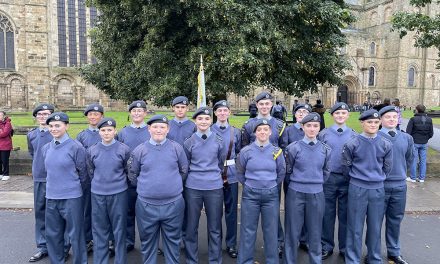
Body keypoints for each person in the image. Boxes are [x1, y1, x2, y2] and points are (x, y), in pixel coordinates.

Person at [128, 115, 188, 264]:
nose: (158, 130)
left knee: (173, 243)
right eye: (155, 127)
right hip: (146, 206)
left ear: (168, 129)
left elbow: (183, 170)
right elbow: (133, 174)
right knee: (147, 243)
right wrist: (149, 187)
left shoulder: (176, 148)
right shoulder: (140, 150)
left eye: (162, 127)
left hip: (173, 204)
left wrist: (170, 185)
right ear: (149, 129)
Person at [343, 109, 393, 264]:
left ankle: (374, 258)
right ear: (362, 123)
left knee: (375, 226)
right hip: (357, 188)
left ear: (380, 123)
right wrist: (359, 179)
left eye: (376, 122)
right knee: (355, 226)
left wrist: (376, 179)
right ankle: (352, 259)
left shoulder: (386, 144)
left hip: (377, 189)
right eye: (369, 122)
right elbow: (346, 167)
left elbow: (387, 167)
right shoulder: (353, 143)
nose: (373, 125)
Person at [241, 91, 287, 256]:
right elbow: (243, 149)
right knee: (250, 222)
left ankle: (278, 243)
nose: (265, 106)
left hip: (273, 174)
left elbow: (284, 148)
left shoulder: (280, 125)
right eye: (262, 104)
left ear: (271, 105)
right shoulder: (248, 124)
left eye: (268, 104)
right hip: (253, 175)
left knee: (272, 214)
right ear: (257, 105)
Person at [284, 112, 331, 264]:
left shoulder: (325, 149)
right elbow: (288, 169)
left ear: (319, 128)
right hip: (296, 193)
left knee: (315, 232)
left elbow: (326, 171)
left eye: (315, 126)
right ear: (303, 127)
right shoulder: (293, 148)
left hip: (316, 193)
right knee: (292, 231)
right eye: (308, 125)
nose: (312, 129)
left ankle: (315, 261)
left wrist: (315, 183)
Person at [42, 112, 88, 264]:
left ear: (66, 126)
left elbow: (83, 173)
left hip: (71, 197)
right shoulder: (46, 148)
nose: (54, 129)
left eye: (57, 125)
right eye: (51, 126)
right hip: (51, 197)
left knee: (76, 234)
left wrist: (73, 188)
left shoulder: (76, 147)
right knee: (53, 234)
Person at [183, 107, 225, 263]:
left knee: (214, 227)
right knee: (191, 226)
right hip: (193, 187)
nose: (203, 122)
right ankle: (191, 260)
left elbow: (221, 163)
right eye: (200, 119)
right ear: (195, 121)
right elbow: (185, 164)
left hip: (214, 187)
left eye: (207, 119)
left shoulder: (219, 141)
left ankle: (215, 260)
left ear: (211, 121)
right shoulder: (189, 142)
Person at [87, 117, 130, 264]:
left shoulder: (123, 149)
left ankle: (120, 260)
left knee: (119, 229)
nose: (106, 133)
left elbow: (127, 169)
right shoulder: (92, 150)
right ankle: (101, 260)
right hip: (98, 194)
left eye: (109, 130)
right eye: (103, 130)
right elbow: (91, 171)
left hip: (118, 193)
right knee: (99, 230)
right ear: (99, 132)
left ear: (115, 131)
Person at [319, 103, 357, 260]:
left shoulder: (354, 135)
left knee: (345, 215)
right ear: (332, 115)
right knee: (327, 214)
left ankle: (344, 247)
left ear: (348, 115)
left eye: (343, 113)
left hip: (347, 179)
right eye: (337, 113)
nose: (340, 116)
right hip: (329, 178)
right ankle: (326, 245)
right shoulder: (324, 134)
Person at [378, 106, 414, 264]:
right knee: (375, 221)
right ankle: (373, 252)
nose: (392, 119)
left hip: (399, 186)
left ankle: (394, 252)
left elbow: (410, 159)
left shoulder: (406, 138)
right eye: (388, 117)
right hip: (379, 186)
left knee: (395, 220)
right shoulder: (375, 137)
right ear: (380, 120)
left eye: (394, 117)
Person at [116, 100, 150, 253]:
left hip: (147, 179)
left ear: (145, 113)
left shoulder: (150, 130)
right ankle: (129, 241)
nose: (137, 113)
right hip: (128, 179)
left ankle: (149, 244)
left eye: (140, 111)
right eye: (134, 111)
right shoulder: (122, 133)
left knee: (147, 215)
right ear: (130, 113)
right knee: (128, 212)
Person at [211, 100, 241, 259]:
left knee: (231, 212)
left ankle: (231, 244)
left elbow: (240, 153)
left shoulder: (235, 132)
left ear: (229, 112)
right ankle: (215, 244)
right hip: (213, 176)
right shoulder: (208, 130)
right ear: (215, 113)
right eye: (219, 111)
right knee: (215, 213)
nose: (222, 113)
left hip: (231, 176)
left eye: (225, 110)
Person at [76, 103, 105, 254]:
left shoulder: (107, 132)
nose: (93, 117)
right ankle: (88, 239)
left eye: (96, 114)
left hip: (104, 179)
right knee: (87, 210)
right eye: (90, 115)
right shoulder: (81, 136)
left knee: (102, 211)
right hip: (87, 179)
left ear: (102, 116)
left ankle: (103, 239)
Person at [27, 103, 54, 262]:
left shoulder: (56, 132)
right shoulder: (31, 134)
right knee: (41, 214)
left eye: (46, 114)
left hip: (55, 179)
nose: (43, 116)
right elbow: (32, 152)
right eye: (40, 114)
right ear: (36, 117)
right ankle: (43, 246)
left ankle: (60, 246)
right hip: (39, 178)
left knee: (57, 215)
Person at [406, 104, 434, 183]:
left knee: (414, 160)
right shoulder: (429, 119)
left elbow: (408, 132)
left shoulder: (413, 119)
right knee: (423, 160)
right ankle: (421, 178)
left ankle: (413, 178)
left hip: (415, 142)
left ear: (417, 110)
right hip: (424, 142)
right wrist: (425, 139)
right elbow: (431, 133)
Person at [0, 111, 12, 181]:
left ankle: (6, 174)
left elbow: (4, 133)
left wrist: (1, 131)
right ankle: (0, 174)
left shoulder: (8, 123)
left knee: (5, 161)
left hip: (5, 145)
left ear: (4, 116)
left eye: (0, 115)